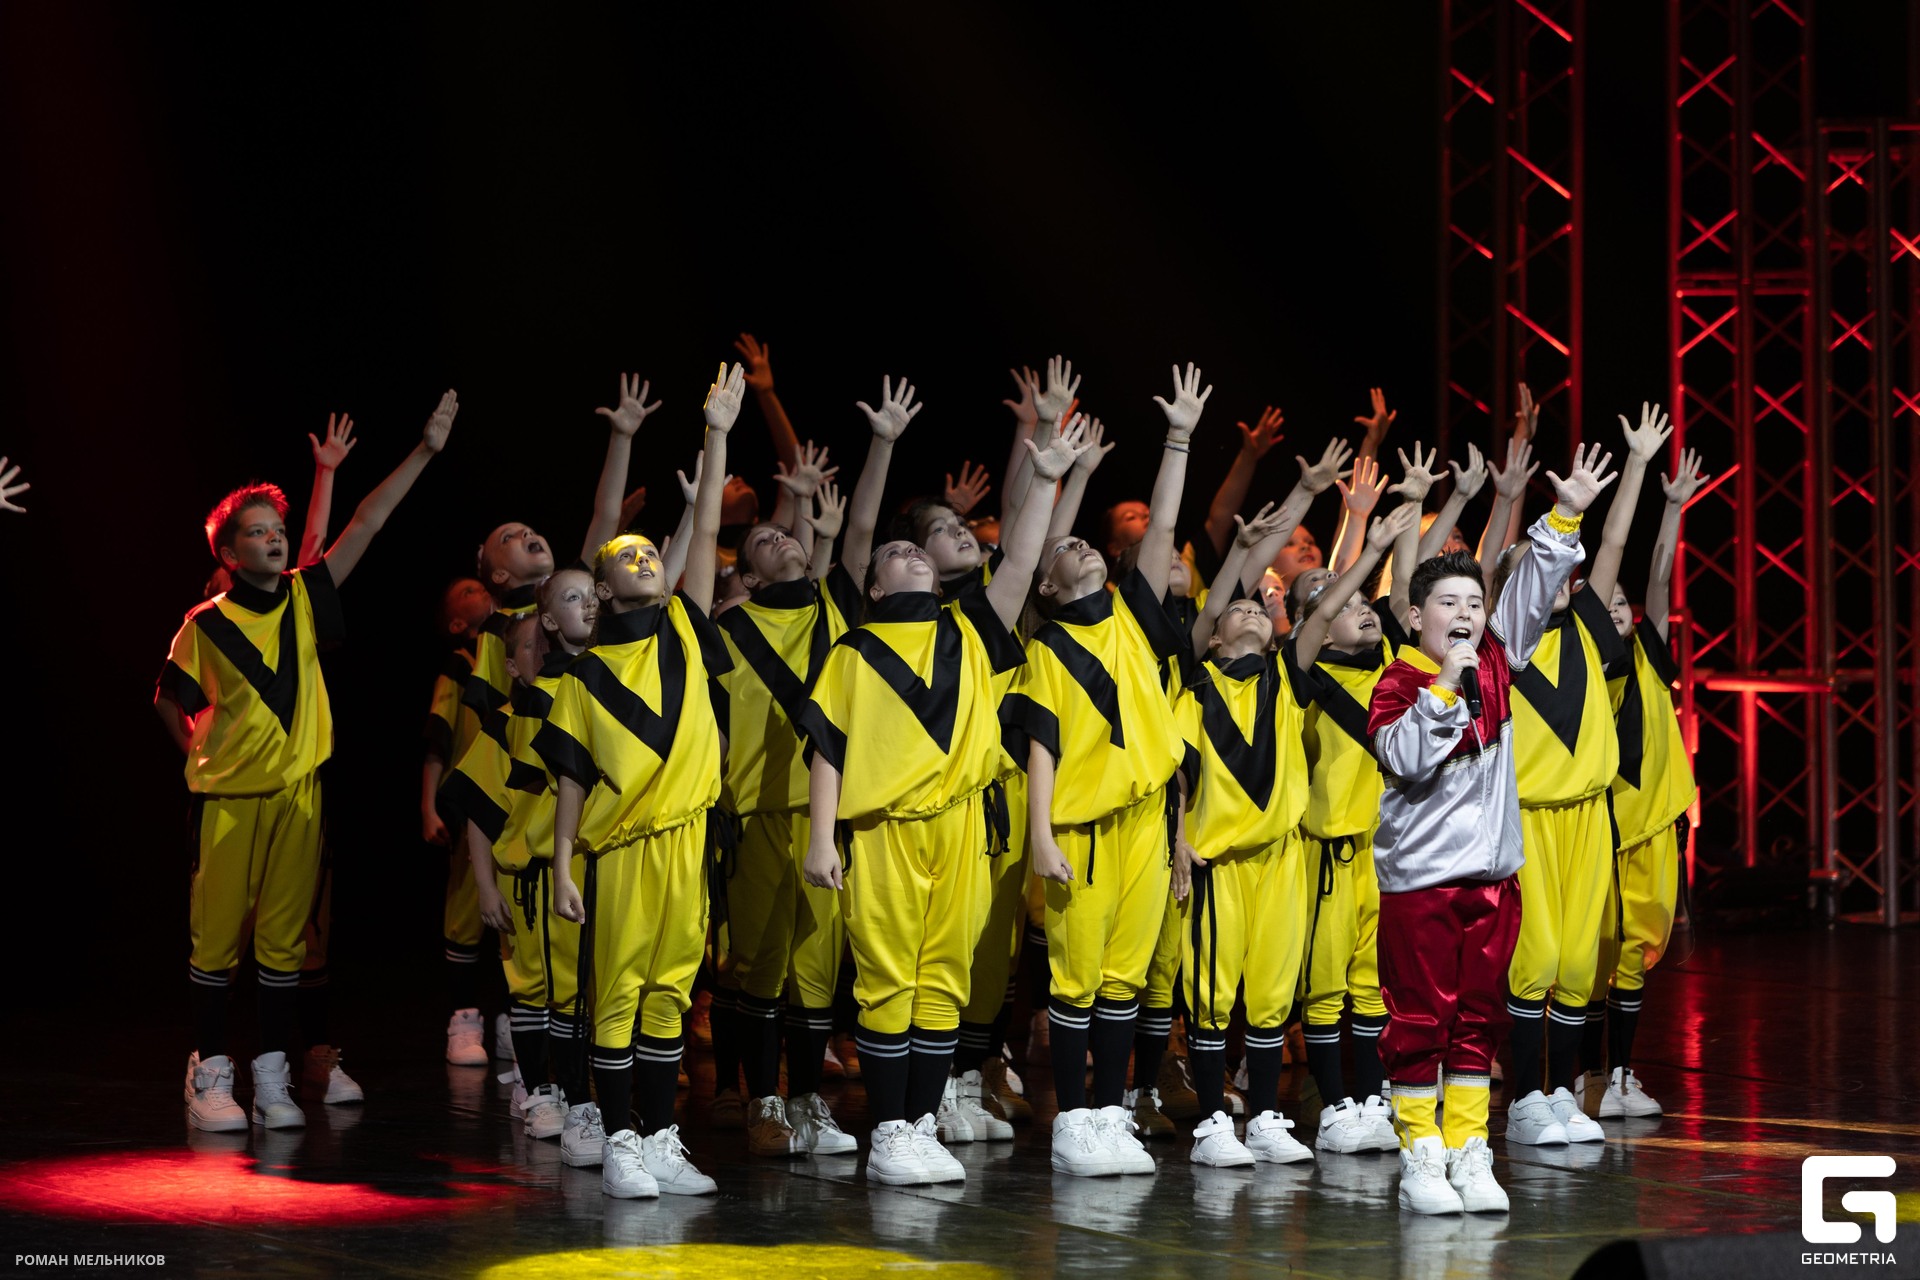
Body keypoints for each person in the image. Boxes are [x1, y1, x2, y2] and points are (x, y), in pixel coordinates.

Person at [797, 395, 1089, 1185]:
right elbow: (828, 749)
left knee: (944, 984)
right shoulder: (855, 650)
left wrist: (1045, 480)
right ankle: (890, 1130)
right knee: (889, 982)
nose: (914, 556)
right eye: (898, 553)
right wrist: (821, 839)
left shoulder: (970, 630)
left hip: (960, 829)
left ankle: (919, 1125)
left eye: (916, 550)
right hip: (885, 831)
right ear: (874, 584)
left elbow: (1019, 564)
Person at [159, 392, 457, 1132]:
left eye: (278, 529)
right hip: (229, 803)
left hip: (298, 797)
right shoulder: (204, 625)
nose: (273, 538)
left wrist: (425, 451)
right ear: (228, 555)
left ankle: (273, 1076)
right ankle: (210, 1072)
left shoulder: (305, 598)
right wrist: (198, 752)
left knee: (284, 942)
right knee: (216, 941)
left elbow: (367, 522)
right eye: (256, 532)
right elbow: (168, 698)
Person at [1367, 442, 1616, 1215]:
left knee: (1479, 1023)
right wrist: (1445, 688)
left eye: (1475, 604)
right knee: (1420, 1025)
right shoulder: (1399, 683)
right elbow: (1404, 757)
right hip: (1422, 888)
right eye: (1449, 604)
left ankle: (1469, 1150)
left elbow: (1533, 590)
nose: (1467, 615)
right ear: (1416, 617)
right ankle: (1421, 1156)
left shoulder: (1499, 662)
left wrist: (1564, 515)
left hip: (1492, 884)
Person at [539, 364, 744, 1200]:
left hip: (688, 843)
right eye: (631, 553)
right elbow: (572, 782)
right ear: (601, 584)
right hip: (622, 851)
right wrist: (561, 865)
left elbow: (705, 533)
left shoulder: (686, 629)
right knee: (618, 997)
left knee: (670, 997)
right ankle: (620, 1139)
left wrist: (717, 432)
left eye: (653, 551)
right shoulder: (583, 679)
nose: (649, 556)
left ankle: (661, 1139)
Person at [1002, 363, 1210, 1178]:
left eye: (1085, 540)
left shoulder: (1131, 615)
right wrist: (1041, 835)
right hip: (1081, 833)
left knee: (1124, 982)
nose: (1080, 546)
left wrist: (1178, 438)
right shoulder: (1048, 647)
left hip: (1146, 827)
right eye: (1065, 549)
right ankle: (1075, 1120)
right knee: (1078, 981)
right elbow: (1043, 748)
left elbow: (1162, 530)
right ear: (1048, 588)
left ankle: (1112, 1112)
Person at [449, 372, 660, 1066]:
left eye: (532, 529)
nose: (530, 535)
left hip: (578, 806)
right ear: (497, 576)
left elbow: (602, 524)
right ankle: (503, 1031)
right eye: (511, 537)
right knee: (513, 933)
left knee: (581, 969)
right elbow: (486, 736)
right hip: (517, 793)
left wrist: (622, 437)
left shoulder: (579, 619)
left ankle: (560, 1065)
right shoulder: (500, 640)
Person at [1491, 405, 1667, 1148]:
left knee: (1574, 963)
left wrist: (1636, 466)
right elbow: (1527, 575)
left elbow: (1615, 543)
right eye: (1543, 570)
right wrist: (1547, 519)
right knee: (1533, 961)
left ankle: (1563, 1094)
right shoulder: (1506, 642)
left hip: (1590, 817)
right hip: (1530, 818)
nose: (1561, 577)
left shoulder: (1591, 625)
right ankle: (1524, 1100)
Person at [711, 458, 863, 1159]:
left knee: (817, 972)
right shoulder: (727, 630)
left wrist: (817, 518)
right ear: (745, 576)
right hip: (758, 816)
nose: (780, 539)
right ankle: (759, 1100)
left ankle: (805, 1101)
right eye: (762, 541)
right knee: (758, 968)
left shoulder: (834, 612)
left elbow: (857, 531)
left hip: (826, 819)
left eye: (785, 534)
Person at [1581, 448, 1708, 1118]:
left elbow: (1659, 578)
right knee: (1589, 955)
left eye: (1622, 602)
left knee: (1634, 957)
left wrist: (1674, 508)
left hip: (1654, 827)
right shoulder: (1581, 667)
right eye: (1606, 602)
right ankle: (1584, 1076)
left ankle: (1622, 1075)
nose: (1619, 607)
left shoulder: (1651, 655)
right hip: (1600, 825)